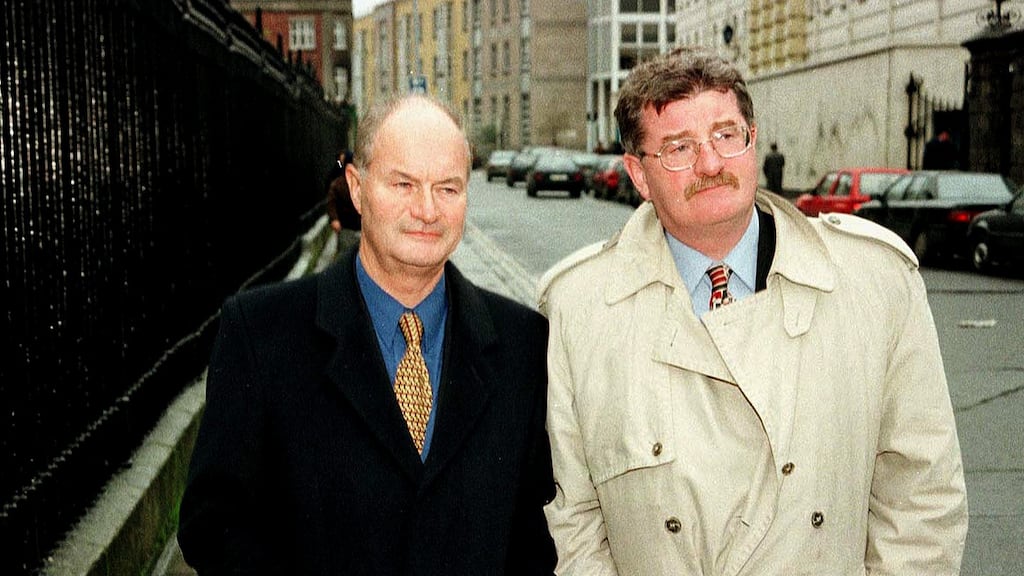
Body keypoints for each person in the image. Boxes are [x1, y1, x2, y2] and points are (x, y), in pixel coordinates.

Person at [538, 47, 967, 574]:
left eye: (726, 135)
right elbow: (573, 524)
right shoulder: (577, 309)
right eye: (679, 147)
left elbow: (922, 500)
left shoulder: (874, 282)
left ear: (753, 141)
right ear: (639, 175)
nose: (711, 164)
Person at [178, 94, 557, 575]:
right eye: (403, 184)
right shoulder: (261, 334)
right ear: (357, 189)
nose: (427, 209)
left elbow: (531, 538)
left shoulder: (521, 342)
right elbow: (213, 526)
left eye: (447, 188)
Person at [325, 149, 361, 253]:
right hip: (346, 227)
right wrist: (334, 219)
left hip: (361, 227)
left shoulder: (364, 183)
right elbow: (331, 203)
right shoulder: (337, 183)